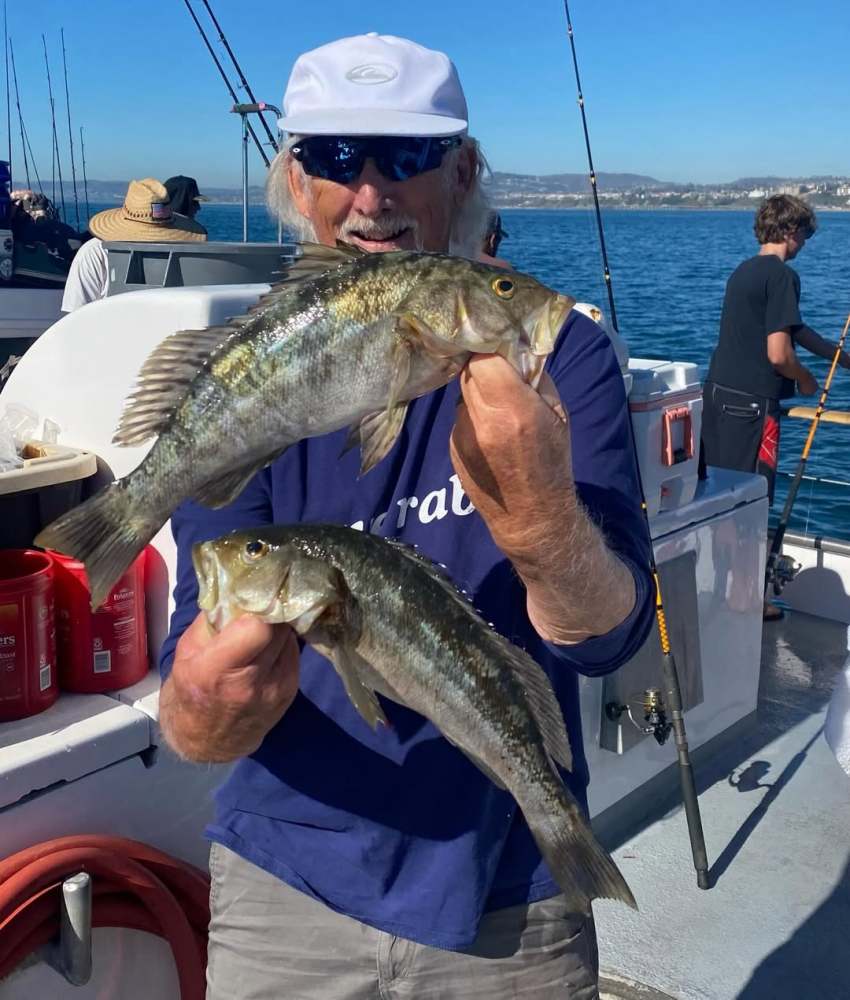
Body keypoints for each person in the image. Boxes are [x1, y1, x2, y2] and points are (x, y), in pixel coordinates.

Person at [158, 33, 654, 999]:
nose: (372, 193)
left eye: (407, 155)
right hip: (283, 881)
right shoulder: (250, 373)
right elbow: (193, 725)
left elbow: (610, 642)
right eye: (337, 159)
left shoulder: (563, 357)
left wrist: (543, 514)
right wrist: (210, 703)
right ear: (296, 180)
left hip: (514, 886)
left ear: (463, 169)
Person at [701, 194, 850, 620]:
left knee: (725, 498)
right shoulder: (783, 276)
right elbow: (779, 353)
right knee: (753, 501)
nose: (805, 242)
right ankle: (748, 600)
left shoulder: (744, 272)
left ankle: (721, 590)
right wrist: (806, 380)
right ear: (790, 230)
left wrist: (840, 356)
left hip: (718, 397)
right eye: (804, 233)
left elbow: (795, 329)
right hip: (753, 407)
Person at [61, 177, 207, 312]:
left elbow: (75, 313)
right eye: (194, 203)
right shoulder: (96, 251)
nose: (198, 208)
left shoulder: (93, 251)